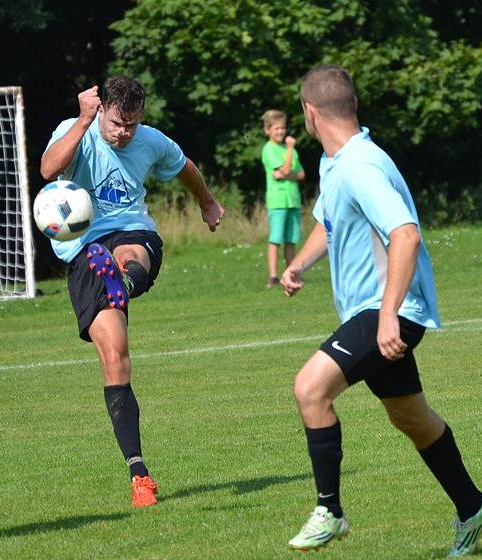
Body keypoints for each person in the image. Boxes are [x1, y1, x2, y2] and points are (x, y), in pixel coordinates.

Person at [280, 65, 482, 556]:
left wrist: (386, 316)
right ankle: (472, 506)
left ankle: (329, 510)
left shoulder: (360, 166)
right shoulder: (338, 162)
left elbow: (405, 233)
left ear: (310, 113)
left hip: (388, 310)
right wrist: (298, 264)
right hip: (380, 310)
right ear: (352, 106)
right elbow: (329, 220)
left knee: (310, 389)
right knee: (411, 417)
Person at [40, 76, 224, 507]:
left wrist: (207, 202)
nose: (124, 133)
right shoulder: (77, 128)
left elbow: (185, 166)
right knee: (116, 357)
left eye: (132, 125)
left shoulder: (150, 141)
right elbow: (49, 170)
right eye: (118, 123)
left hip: (131, 231)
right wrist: (84, 121)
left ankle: (121, 280)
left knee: (131, 252)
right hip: (83, 247)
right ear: (101, 108)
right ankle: (139, 475)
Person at [260, 109, 305, 288]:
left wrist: (286, 174)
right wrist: (290, 150)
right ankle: (273, 276)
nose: (281, 132)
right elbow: (286, 170)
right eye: (277, 129)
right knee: (276, 239)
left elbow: (300, 174)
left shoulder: (289, 152)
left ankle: (291, 273)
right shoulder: (269, 149)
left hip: (292, 200)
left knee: (291, 239)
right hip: (277, 202)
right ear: (268, 130)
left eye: (283, 128)